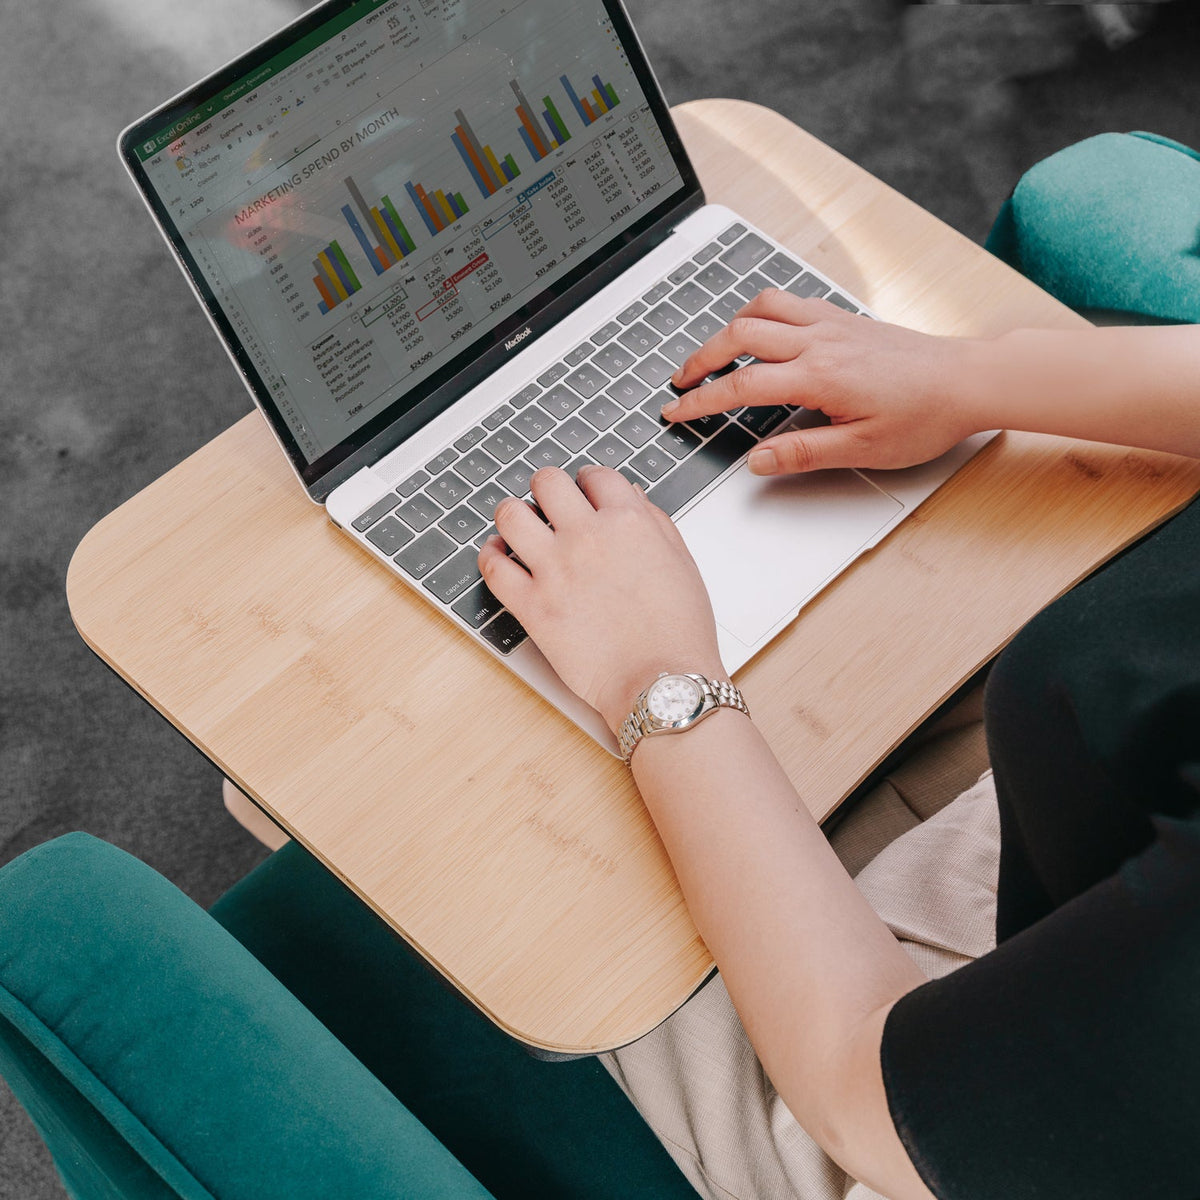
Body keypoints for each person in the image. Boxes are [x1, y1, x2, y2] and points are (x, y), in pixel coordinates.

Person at [475, 290, 1200, 1199]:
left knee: (489, 836)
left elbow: (860, 1084)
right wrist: (965, 375)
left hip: (919, 1117)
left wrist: (653, 674)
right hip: (1100, 879)